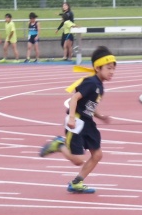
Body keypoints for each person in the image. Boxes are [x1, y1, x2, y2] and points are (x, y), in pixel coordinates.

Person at [39, 46, 116, 193]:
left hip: (88, 123)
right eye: (108, 68)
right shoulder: (91, 83)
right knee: (78, 160)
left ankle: (76, 182)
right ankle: (59, 145)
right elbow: (74, 98)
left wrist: (101, 116)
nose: (112, 72)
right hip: (77, 122)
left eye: (113, 68)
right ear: (98, 68)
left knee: (97, 155)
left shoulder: (100, 86)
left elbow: (90, 106)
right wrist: (72, 118)